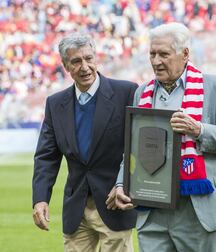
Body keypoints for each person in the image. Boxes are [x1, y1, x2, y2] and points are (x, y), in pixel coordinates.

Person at [108, 22, 216, 252]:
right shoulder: (142, 92)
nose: (156, 61)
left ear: (185, 54)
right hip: (152, 209)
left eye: (164, 54)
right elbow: (133, 150)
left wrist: (199, 129)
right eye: (152, 54)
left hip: (197, 210)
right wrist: (121, 183)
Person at [32, 33, 138, 252]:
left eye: (89, 58)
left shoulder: (126, 92)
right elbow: (46, 157)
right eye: (76, 61)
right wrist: (40, 198)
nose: (85, 67)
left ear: (96, 58)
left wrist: (125, 184)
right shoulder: (55, 104)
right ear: (65, 66)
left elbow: (137, 147)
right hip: (76, 207)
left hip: (114, 202)